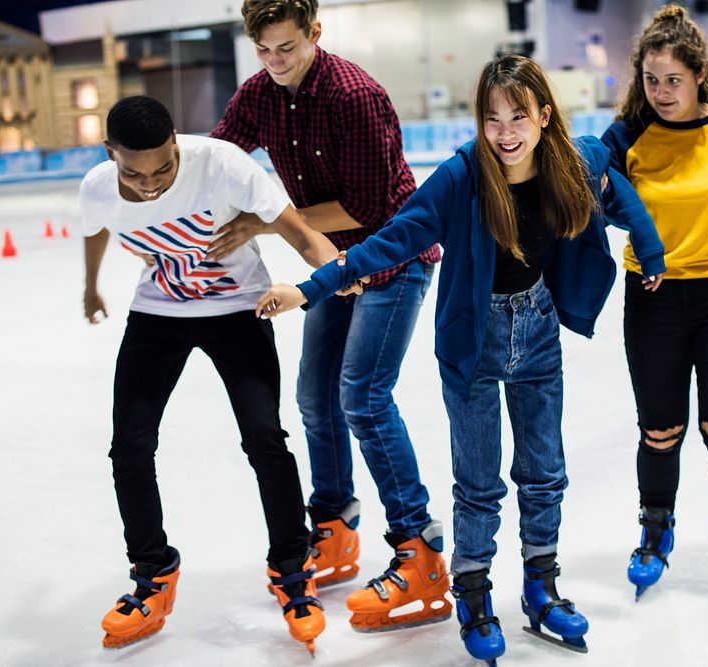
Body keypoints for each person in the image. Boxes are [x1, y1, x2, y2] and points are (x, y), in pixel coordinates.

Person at [255, 54, 666, 664]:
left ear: (544, 117)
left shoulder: (573, 158)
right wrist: (310, 288)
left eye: (518, 117)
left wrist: (649, 248)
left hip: (539, 329)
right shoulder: (463, 175)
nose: (505, 132)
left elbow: (616, 187)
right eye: (492, 118)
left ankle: (541, 586)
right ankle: (473, 594)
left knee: (544, 473)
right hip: (472, 344)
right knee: (478, 484)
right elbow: (393, 238)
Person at [208, 0, 448, 632]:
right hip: (334, 263)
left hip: (394, 255)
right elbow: (219, 158)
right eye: (263, 50)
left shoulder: (354, 95)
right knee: (316, 399)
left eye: (287, 48)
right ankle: (336, 524)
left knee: (363, 398)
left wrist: (263, 220)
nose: (275, 63)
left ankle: (418, 550)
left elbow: (370, 206)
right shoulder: (259, 93)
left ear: (315, 33)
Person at [82, 95, 336, 652]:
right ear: (110, 155)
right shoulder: (99, 186)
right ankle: (152, 574)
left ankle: (293, 569)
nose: (149, 185)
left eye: (163, 168)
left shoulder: (222, 163)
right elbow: (96, 227)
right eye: (133, 172)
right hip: (158, 317)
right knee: (129, 445)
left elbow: (296, 230)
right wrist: (90, 284)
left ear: (178, 146)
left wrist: (339, 269)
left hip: (239, 313)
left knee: (265, 438)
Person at [600, 4, 708, 609]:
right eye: (650, 80)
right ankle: (655, 530)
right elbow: (581, 190)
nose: (661, 92)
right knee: (660, 430)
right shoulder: (626, 139)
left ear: (699, 77)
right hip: (653, 299)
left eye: (673, 80)